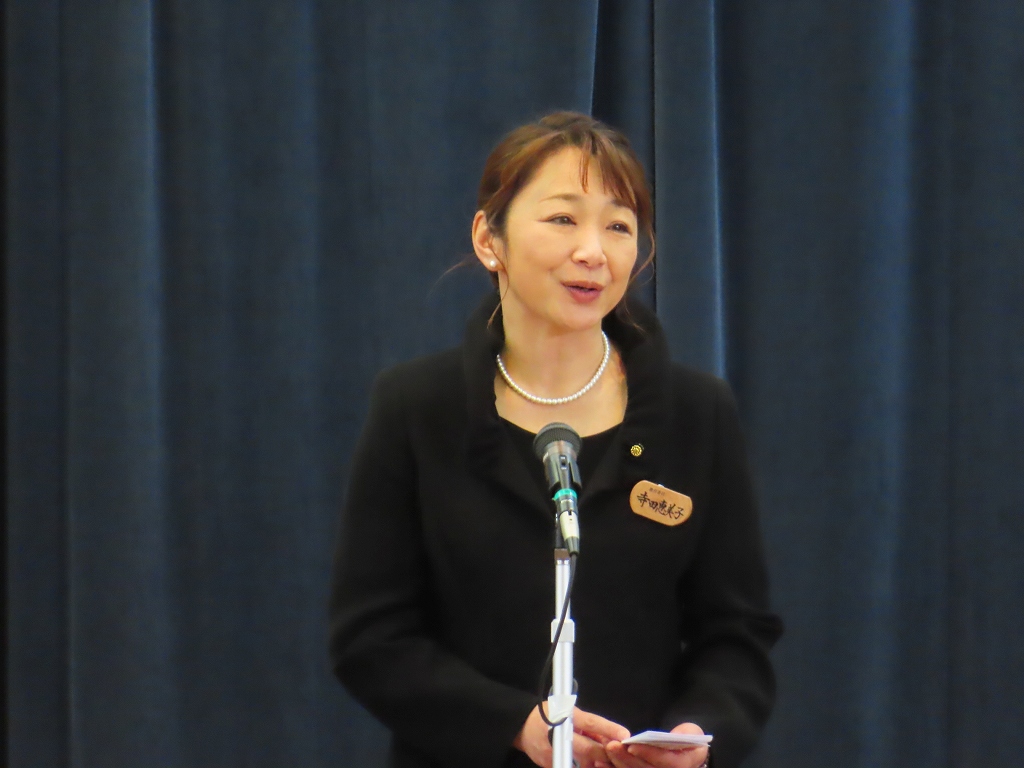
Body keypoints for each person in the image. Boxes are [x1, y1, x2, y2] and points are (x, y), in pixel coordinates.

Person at [329, 112, 783, 768]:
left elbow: (737, 635)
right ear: (489, 239)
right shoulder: (416, 408)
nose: (593, 251)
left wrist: (698, 734)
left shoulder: (696, 414)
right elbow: (371, 638)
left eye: (619, 226)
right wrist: (514, 725)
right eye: (564, 219)